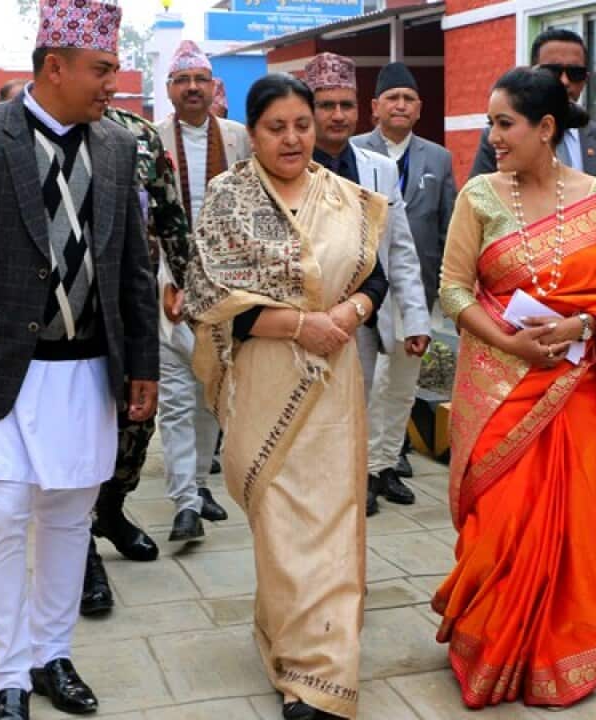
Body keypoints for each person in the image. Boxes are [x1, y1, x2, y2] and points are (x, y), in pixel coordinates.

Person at [0, 0, 160, 716]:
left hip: (84, 375)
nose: (113, 81)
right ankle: (8, 677)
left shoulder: (114, 146)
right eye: (102, 68)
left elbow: (132, 267)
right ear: (55, 66)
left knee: (70, 520)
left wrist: (143, 364)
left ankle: (53, 657)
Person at [433, 67, 596, 710]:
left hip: (575, 388)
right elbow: (453, 288)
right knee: (499, 524)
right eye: (490, 123)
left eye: (505, 123)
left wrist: (583, 322)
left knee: (574, 527)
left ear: (545, 128)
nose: (493, 136)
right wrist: (507, 342)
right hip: (501, 388)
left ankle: (558, 652)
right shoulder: (479, 198)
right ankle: (491, 645)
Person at [185, 72, 388, 720]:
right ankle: (286, 645)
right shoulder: (227, 198)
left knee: (332, 523)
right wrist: (306, 324)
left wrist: (348, 316)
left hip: (334, 383)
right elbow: (213, 303)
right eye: (278, 127)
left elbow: (373, 280)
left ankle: (319, 677)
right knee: (280, 525)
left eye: (303, 124)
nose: (294, 138)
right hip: (267, 377)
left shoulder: (345, 197)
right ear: (255, 133)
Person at [75, 102, 193, 617]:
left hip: (133, 309)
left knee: (136, 426)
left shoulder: (138, 136)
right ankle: (79, 553)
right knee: (76, 440)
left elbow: (171, 217)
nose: (105, 80)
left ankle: (112, 511)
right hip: (68, 321)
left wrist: (194, 288)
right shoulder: (29, 134)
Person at [471, 28, 596, 344]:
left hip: (590, 308)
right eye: (552, 71)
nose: (564, 82)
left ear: (585, 79)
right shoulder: (499, 139)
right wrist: (472, 306)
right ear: (532, 73)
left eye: (574, 73)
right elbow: (477, 218)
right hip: (517, 308)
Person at [302, 53, 429, 517]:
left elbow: (400, 248)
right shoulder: (294, 164)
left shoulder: (379, 167)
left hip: (373, 310)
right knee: (326, 413)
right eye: (326, 105)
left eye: (346, 105)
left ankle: (367, 477)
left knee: (374, 401)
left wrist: (415, 315)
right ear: (309, 108)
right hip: (315, 316)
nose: (338, 115)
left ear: (360, 110)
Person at [155, 40, 250, 542]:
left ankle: (195, 485)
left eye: (200, 80)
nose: (192, 88)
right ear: (170, 89)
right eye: (182, 80)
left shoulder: (237, 138)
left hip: (226, 289)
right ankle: (184, 504)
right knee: (174, 398)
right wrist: (168, 281)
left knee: (213, 395)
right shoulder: (150, 140)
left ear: (214, 88)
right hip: (167, 289)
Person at [353, 62, 456, 506]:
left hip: (416, 290)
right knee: (363, 386)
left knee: (401, 386)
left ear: (419, 108)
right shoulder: (353, 152)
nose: (400, 105)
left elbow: (450, 224)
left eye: (408, 99)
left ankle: (386, 466)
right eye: (391, 97)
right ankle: (358, 471)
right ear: (375, 107)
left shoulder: (438, 157)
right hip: (364, 291)